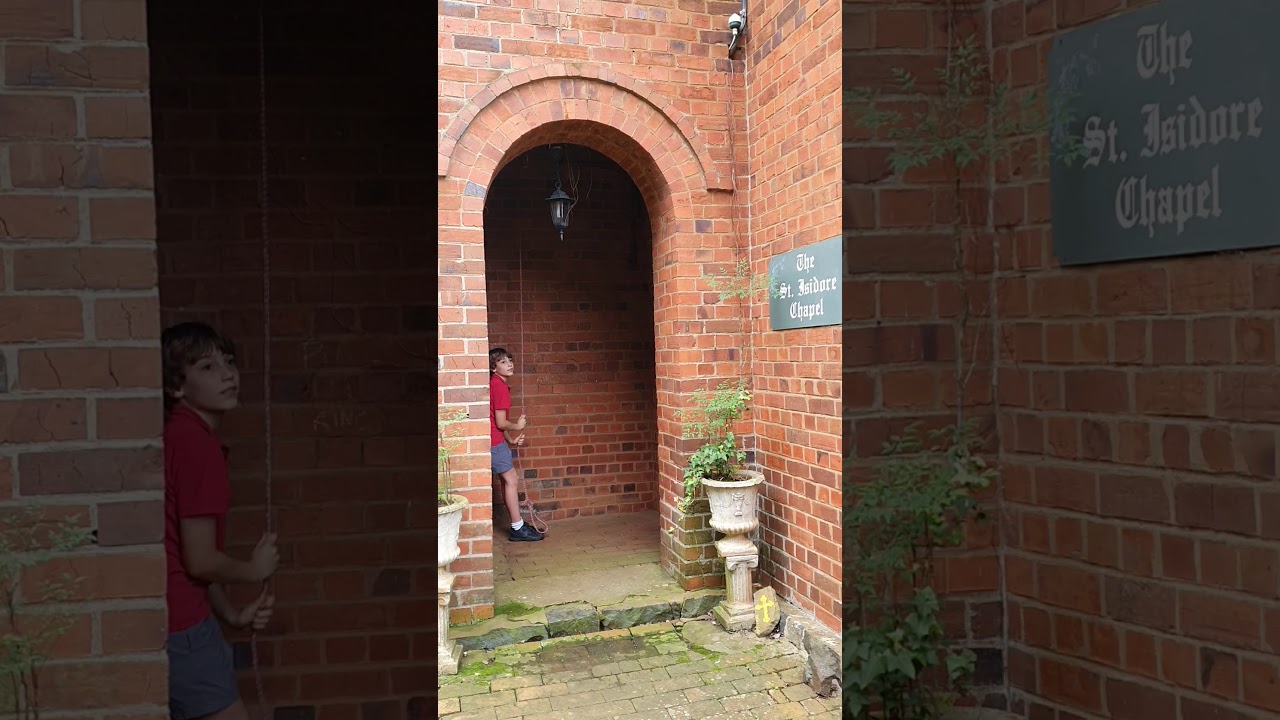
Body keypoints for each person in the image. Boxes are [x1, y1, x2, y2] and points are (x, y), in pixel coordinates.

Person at [163, 322, 278, 720]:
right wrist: (252, 570)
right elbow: (199, 560)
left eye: (228, 362)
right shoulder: (195, 445)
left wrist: (230, 613)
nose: (228, 373)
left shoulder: (184, 436)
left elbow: (185, 554)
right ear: (177, 386)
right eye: (207, 367)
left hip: (188, 616)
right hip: (183, 627)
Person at [489, 347, 543, 542]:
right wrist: (516, 426)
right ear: (494, 368)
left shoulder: (496, 384)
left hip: (495, 439)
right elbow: (501, 422)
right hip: (494, 442)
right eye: (503, 362)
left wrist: (510, 440)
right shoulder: (500, 387)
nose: (509, 364)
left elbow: (492, 422)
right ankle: (517, 527)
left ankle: (516, 524)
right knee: (511, 480)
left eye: (509, 360)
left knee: (507, 481)